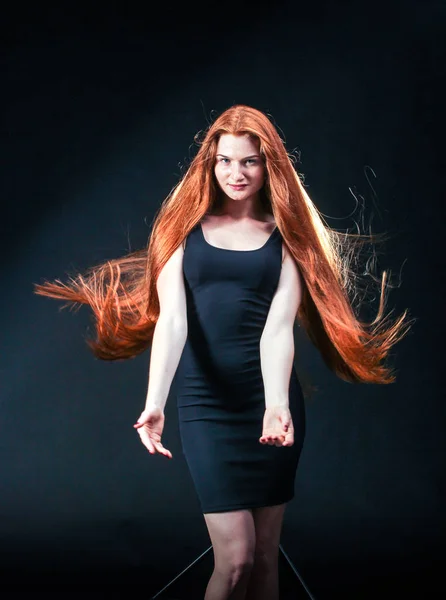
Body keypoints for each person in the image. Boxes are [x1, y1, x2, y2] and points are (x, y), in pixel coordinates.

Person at [34, 104, 414, 600]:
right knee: (233, 561)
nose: (237, 173)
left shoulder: (287, 239)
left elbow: (277, 329)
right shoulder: (183, 231)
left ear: (269, 165)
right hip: (207, 407)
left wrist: (277, 405)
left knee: (262, 561)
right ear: (210, 164)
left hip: (269, 407)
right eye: (226, 161)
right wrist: (154, 403)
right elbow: (173, 321)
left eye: (250, 161)